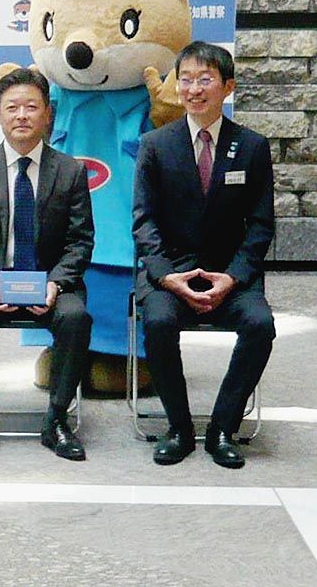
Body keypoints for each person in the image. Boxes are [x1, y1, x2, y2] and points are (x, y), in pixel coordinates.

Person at [133, 41, 275, 469]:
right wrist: (166, 276)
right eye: (186, 80)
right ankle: (178, 427)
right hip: (171, 273)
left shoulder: (251, 147)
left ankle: (222, 428)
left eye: (205, 80)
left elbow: (261, 225)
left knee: (260, 325)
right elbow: (143, 221)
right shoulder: (155, 144)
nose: (194, 89)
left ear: (227, 87)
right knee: (158, 322)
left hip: (230, 274)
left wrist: (232, 277)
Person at [0, 68, 94, 461]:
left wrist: (55, 283)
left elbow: (81, 241)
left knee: (75, 318)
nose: (21, 116)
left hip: (51, 281)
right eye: (12, 107)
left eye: (31, 107)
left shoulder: (71, 170)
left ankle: (57, 419)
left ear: (47, 114)